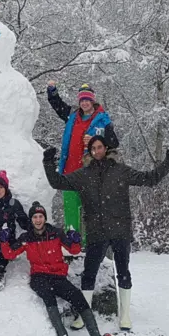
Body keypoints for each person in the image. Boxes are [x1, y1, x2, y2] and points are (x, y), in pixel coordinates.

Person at [42, 136, 169, 331]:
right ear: (89, 152)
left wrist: (168, 163)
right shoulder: (83, 174)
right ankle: (83, 314)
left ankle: (125, 316)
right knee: (89, 275)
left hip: (120, 230)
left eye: (100, 147)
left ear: (105, 148)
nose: (97, 151)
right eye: (93, 148)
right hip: (97, 232)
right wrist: (48, 161)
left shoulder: (120, 171)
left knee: (123, 273)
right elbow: (57, 182)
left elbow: (149, 179)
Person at [0, 202, 102, 336]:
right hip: (39, 276)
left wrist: (76, 240)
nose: (38, 220)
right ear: (31, 219)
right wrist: (4, 241)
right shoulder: (26, 238)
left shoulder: (56, 233)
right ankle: (62, 333)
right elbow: (9, 254)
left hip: (58, 276)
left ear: (45, 218)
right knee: (48, 296)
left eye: (40, 216)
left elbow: (74, 250)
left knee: (78, 296)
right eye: (35, 217)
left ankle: (95, 333)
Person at [45, 81, 119, 246]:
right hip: (70, 171)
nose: (85, 103)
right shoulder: (72, 116)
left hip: (91, 174)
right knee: (71, 208)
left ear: (93, 101)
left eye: (88, 100)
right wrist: (52, 91)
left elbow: (114, 143)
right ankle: (73, 242)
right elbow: (58, 106)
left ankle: (90, 243)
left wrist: (95, 140)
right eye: (82, 100)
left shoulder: (103, 120)